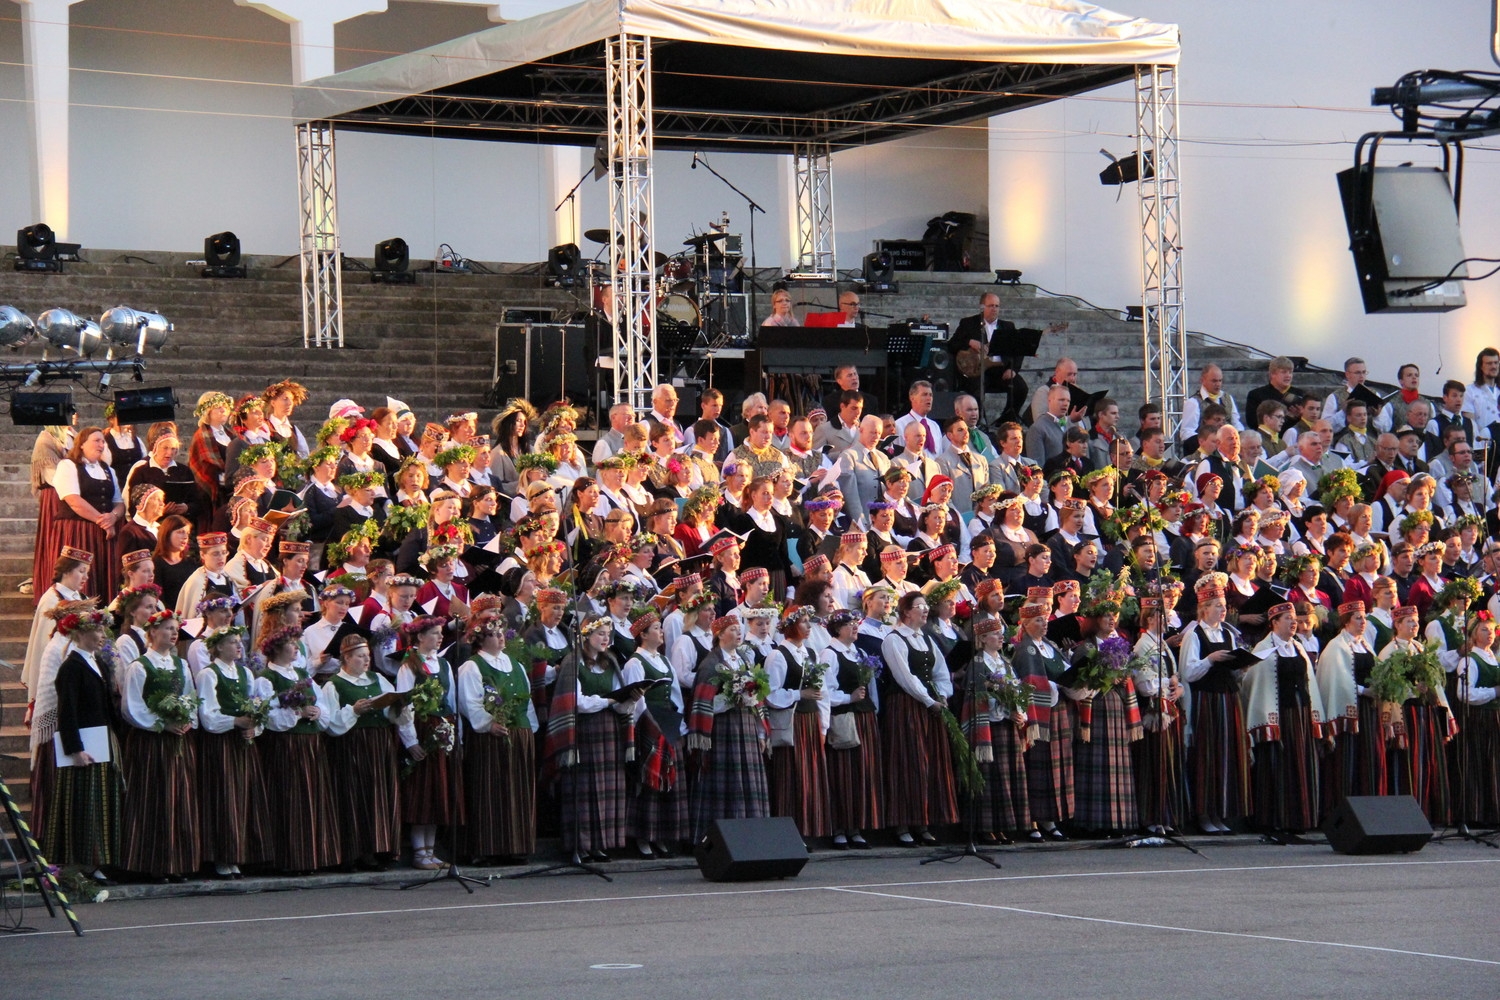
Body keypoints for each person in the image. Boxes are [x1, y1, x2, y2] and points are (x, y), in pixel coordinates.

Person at [42, 607, 125, 881]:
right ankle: (86, 861)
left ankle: (102, 859)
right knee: (87, 801)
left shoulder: (98, 663)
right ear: (79, 633)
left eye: (102, 630)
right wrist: (74, 748)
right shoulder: (71, 667)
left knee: (104, 799)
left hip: (103, 739)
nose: (102, 635)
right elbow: (68, 711)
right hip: (86, 744)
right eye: (96, 630)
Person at [547, 615, 635, 864]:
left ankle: (600, 843)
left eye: (608, 634)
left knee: (607, 789)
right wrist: (608, 701)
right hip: (583, 732)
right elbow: (578, 702)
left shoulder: (612, 662)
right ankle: (581, 844)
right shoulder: (573, 662)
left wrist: (628, 700)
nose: (606, 639)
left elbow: (619, 701)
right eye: (600, 634)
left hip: (608, 731)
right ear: (586, 636)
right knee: (584, 790)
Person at [259, 623, 342, 875]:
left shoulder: (301, 675)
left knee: (310, 799)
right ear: (276, 648)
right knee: (290, 799)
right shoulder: (267, 678)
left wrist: (317, 712)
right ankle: (289, 858)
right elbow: (268, 715)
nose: (296, 647)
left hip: (309, 746)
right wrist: (297, 712)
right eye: (291, 643)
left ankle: (311, 856)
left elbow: (322, 705)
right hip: (286, 746)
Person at [456, 613, 538, 864]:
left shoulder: (516, 664)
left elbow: (527, 699)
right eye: (493, 633)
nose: (500, 637)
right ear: (480, 639)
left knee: (518, 792)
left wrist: (528, 729)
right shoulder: (472, 666)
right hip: (489, 738)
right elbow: (470, 703)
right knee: (489, 791)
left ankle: (516, 845)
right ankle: (487, 848)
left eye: (501, 632)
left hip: (518, 734)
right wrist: (488, 724)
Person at [880, 591, 958, 846]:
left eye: (926, 606)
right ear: (906, 612)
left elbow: (941, 671)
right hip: (905, 707)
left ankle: (924, 822)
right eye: (919, 606)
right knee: (907, 763)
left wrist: (944, 695)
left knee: (929, 763)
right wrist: (929, 700)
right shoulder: (893, 640)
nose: (925, 610)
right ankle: (903, 823)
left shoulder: (926, 638)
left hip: (930, 706)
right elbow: (905, 677)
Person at [322, 632, 405, 871]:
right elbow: (331, 725)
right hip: (351, 747)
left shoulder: (378, 679)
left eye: (367, 656)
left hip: (378, 744)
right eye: (360, 656)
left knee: (377, 796)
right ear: (346, 658)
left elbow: (392, 712)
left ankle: (375, 850)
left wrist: (399, 705)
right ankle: (350, 853)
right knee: (352, 798)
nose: (366, 661)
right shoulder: (333, 685)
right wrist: (354, 711)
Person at [195, 623, 272, 878]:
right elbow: (208, 715)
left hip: (241, 743)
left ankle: (239, 855)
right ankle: (221, 857)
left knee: (243, 797)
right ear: (218, 647)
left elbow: (254, 706)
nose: (239, 646)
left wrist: (254, 727)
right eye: (232, 642)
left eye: (239, 642)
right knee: (224, 797)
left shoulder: (245, 673)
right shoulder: (209, 674)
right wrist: (235, 722)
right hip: (221, 743)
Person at [1243, 602, 1327, 834]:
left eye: (1294, 618)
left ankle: (1301, 818)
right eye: (1288, 618)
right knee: (1279, 765)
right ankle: (1277, 818)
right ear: (1274, 623)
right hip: (1279, 717)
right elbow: (1254, 684)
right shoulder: (1263, 649)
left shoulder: (1298, 647)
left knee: (1301, 763)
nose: (1294, 622)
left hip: (1300, 715)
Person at [1178, 574, 1252, 834]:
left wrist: (1240, 668)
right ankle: (1204, 814)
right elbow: (1188, 672)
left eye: (1224, 605)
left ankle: (1221, 813)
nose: (1223, 610)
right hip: (1206, 702)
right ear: (1205, 608)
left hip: (1227, 699)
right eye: (1218, 605)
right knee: (1207, 756)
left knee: (1226, 756)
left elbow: (1232, 668)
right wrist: (1210, 659)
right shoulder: (1194, 635)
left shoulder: (1228, 634)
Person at [686, 615, 771, 843]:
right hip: (723, 730)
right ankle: (723, 838)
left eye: (738, 629)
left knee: (749, 782)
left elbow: (757, 695)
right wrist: (733, 698)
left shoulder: (743, 659)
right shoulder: (710, 664)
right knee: (728, 784)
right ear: (720, 634)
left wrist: (760, 730)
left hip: (745, 727)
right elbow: (704, 704)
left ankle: (752, 836)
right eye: (732, 629)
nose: (738, 633)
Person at [619, 608, 690, 858]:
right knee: (649, 783)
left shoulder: (665, 660)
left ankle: (661, 836)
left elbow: (676, 696)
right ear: (643, 634)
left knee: (668, 783)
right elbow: (637, 701)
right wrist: (649, 727)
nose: (661, 632)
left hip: (669, 726)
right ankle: (643, 838)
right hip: (648, 727)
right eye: (656, 629)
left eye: (661, 628)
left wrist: (678, 725)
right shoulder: (635, 663)